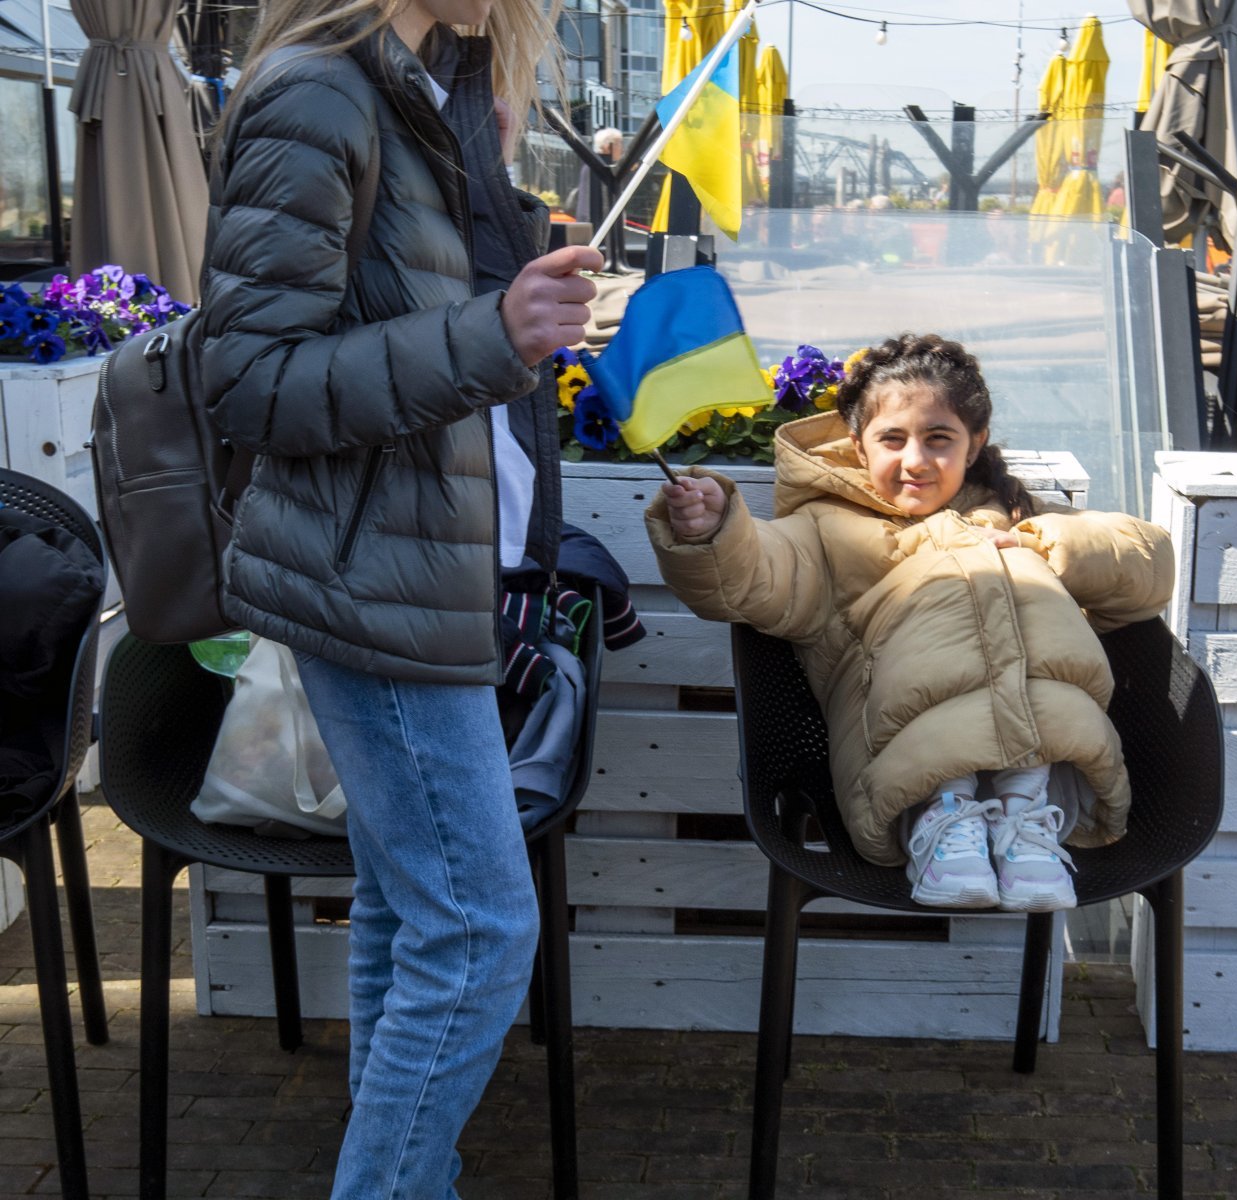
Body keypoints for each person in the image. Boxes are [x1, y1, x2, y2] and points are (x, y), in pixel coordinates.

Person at [197, 0, 604, 1194]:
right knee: (482, 933)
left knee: (406, 917)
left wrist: (500, 230)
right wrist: (494, 330)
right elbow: (250, 382)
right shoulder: (319, 94)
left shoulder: (428, 91)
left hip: (413, 570)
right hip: (368, 573)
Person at [647, 334, 1173, 911]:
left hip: (1057, 768)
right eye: (892, 439)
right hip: (901, 780)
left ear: (974, 446)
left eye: (939, 439)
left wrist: (1037, 544)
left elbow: (1149, 562)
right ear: (859, 445)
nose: (915, 460)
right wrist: (712, 529)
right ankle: (946, 820)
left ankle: (1026, 819)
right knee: (949, 587)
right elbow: (754, 573)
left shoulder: (1011, 512)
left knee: (1013, 577)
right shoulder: (826, 530)